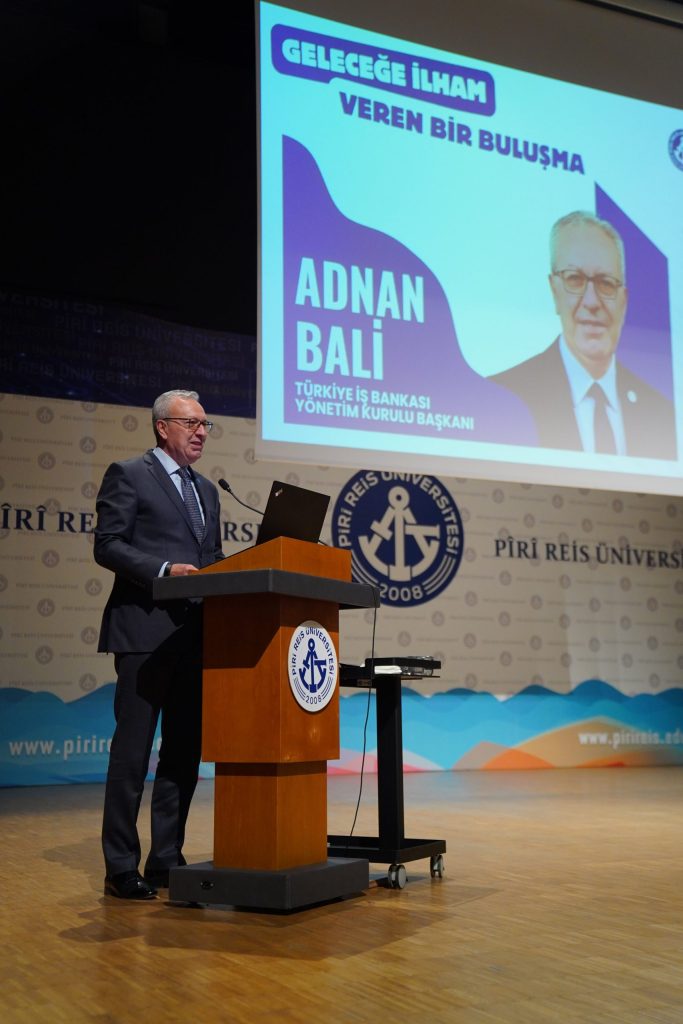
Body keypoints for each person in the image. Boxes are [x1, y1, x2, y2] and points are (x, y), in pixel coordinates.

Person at [95, 389, 225, 899]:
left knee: (182, 754)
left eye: (205, 424)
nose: (201, 432)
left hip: (194, 637)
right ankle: (120, 867)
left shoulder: (208, 490)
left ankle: (166, 858)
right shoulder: (129, 474)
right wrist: (165, 570)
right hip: (144, 634)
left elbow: (211, 558)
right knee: (132, 755)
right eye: (191, 423)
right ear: (162, 426)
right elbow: (108, 545)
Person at [490, 211, 676, 459]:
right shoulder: (503, 397)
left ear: (623, 301)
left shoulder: (662, 413)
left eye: (606, 283)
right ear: (554, 291)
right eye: (575, 280)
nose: (592, 301)